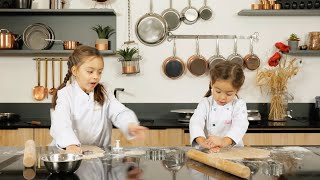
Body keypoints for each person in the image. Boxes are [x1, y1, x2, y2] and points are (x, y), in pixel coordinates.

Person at [50, 45, 147, 153]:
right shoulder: (65, 94)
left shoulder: (104, 92)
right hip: (70, 155)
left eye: (99, 72)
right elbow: (61, 122)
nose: (96, 76)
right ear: (75, 71)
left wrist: (130, 124)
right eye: (90, 71)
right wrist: (70, 144)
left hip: (99, 155)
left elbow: (118, 112)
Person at [189, 61, 249, 153]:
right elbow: (196, 122)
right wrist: (202, 141)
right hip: (209, 150)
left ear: (237, 90)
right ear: (212, 83)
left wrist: (223, 142)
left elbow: (240, 125)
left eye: (229, 94)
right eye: (218, 91)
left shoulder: (239, 105)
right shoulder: (206, 103)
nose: (222, 98)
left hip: (233, 152)